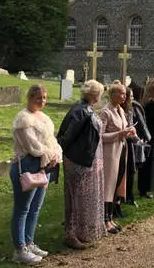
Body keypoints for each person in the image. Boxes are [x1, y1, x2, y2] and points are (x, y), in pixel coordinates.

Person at [10, 85, 62, 264]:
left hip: (44, 166)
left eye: (45, 98)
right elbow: (33, 146)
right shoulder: (23, 119)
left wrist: (56, 154)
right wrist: (50, 154)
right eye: (38, 98)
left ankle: (29, 241)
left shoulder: (44, 117)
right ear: (30, 97)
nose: (42, 101)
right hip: (28, 164)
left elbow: (52, 140)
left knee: (35, 208)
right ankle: (20, 248)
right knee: (22, 208)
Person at [57, 80, 105, 250]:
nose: (101, 96)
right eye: (99, 93)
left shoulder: (87, 108)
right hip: (77, 161)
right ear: (93, 94)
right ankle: (72, 234)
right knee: (76, 198)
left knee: (84, 198)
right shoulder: (80, 110)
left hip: (86, 160)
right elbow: (67, 136)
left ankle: (84, 232)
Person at [99, 83, 135, 233]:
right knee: (108, 184)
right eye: (121, 93)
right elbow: (100, 136)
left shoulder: (121, 110)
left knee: (117, 183)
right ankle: (105, 220)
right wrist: (119, 134)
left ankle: (110, 216)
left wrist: (130, 131)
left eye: (125, 94)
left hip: (121, 151)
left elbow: (123, 128)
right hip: (110, 153)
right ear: (112, 94)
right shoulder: (105, 112)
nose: (124, 96)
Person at [122, 87, 150, 205]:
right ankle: (126, 196)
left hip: (133, 142)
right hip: (128, 143)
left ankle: (128, 195)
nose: (132, 98)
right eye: (131, 96)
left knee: (131, 170)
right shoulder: (126, 109)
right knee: (128, 171)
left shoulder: (132, 108)